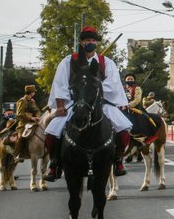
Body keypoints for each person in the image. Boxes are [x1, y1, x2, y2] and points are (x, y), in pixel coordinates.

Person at [43, 26, 132, 182]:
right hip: (75, 103)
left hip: (101, 103)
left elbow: (113, 84)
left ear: (96, 43)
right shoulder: (68, 61)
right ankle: (54, 163)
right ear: (82, 42)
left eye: (93, 40)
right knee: (51, 132)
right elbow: (60, 84)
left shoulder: (107, 63)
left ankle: (119, 160)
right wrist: (61, 106)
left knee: (124, 128)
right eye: (87, 40)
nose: (90, 43)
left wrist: (93, 88)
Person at [1, 85, 41, 160]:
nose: (34, 93)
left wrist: (37, 117)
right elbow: (19, 114)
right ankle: (17, 154)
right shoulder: (22, 101)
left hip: (33, 123)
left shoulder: (32, 101)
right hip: (23, 124)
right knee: (21, 137)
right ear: (31, 93)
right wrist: (31, 117)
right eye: (33, 92)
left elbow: (37, 111)